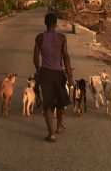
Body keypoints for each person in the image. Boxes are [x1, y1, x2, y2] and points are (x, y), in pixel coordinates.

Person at [33, 11, 73, 142]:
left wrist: (38, 69)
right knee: (60, 101)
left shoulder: (39, 38)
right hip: (58, 73)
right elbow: (66, 57)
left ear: (45, 23)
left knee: (48, 103)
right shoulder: (61, 38)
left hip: (45, 73)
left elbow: (35, 57)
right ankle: (59, 125)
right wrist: (70, 76)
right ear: (55, 24)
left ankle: (51, 134)